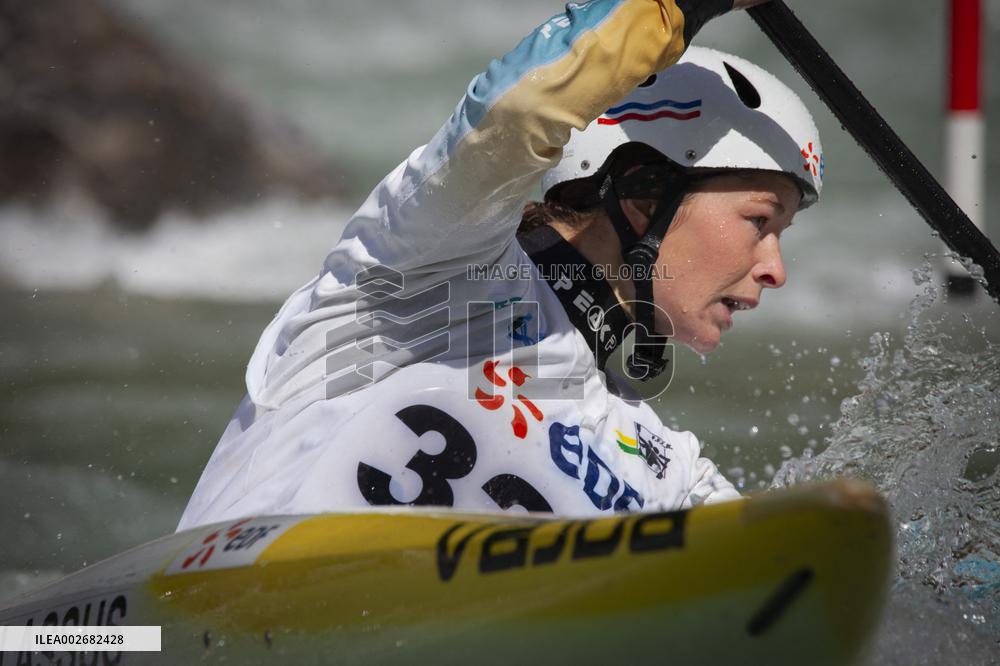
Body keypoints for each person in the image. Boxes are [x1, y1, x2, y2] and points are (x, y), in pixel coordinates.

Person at [177, 0, 822, 530]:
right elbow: (514, 113)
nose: (776, 268)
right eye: (760, 222)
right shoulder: (430, 268)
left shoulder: (664, 475)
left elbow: (787, 578)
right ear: (644, 191)